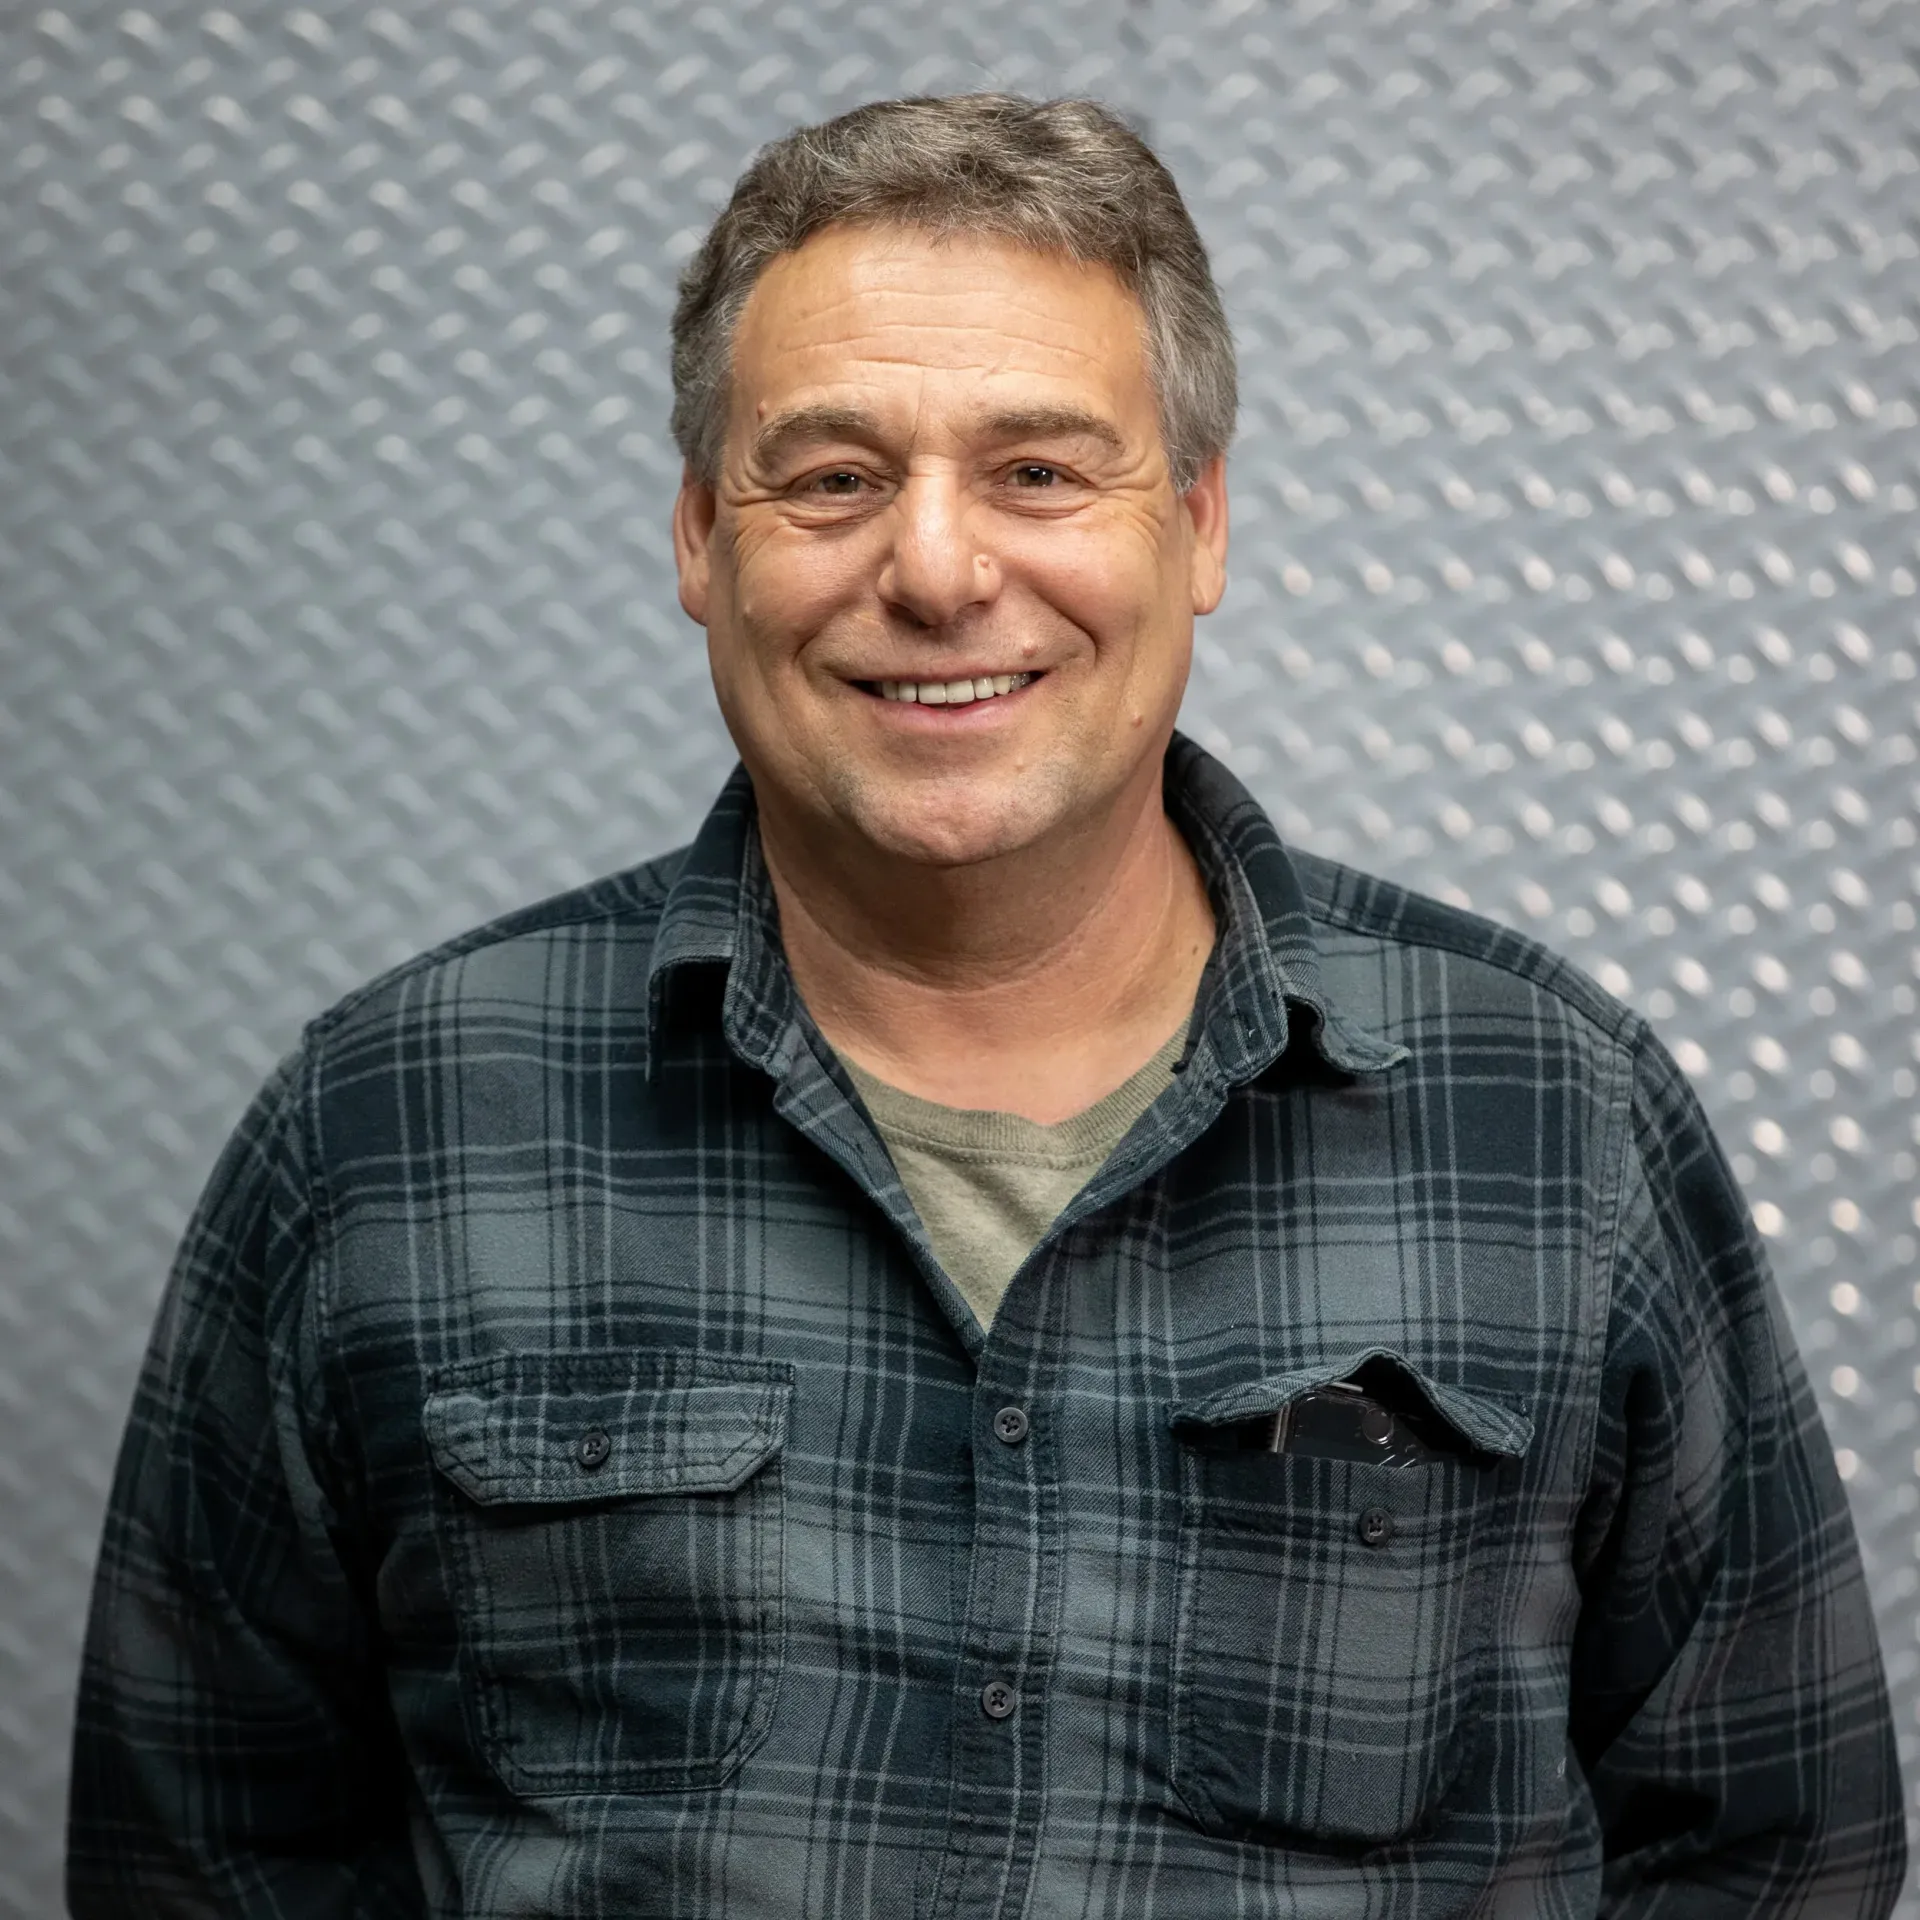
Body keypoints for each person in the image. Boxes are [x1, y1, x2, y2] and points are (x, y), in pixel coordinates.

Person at [68, 92, 1904, 1918]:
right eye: (833, 478)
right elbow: (206, 1857)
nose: (939, 572)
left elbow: (1770, 1846)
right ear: (701, 539)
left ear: (1197, 525)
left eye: (1037, 472)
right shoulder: (386, 1122)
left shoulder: (1552, 1113)